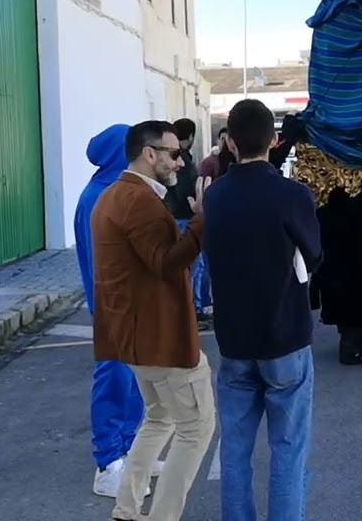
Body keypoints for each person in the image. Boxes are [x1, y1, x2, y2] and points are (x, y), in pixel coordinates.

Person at [203, 99, 323, 519]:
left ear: (230, 143)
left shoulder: (215, 197)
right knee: (288, 450)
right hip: (285, 336)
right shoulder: (292, 195)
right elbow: (314, 254)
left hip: (235, 340)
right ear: (274, 141)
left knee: (235, 452)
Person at [91, 120, 215, 521]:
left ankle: (128, 508)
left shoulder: (113, 196)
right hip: (160, 339)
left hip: (135, 339)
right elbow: (165, 263)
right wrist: (201, 222)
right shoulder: (138, 201)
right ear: (149, 154)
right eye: (174, 154)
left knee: (160, 417)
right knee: (196, 428)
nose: (180, 163)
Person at [74, 124, 155, 498]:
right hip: (115, 307)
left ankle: (132, 453)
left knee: (135, 382)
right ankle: (109, 464)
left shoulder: (110, 191)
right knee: (115, 380)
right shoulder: (100, 197)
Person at [165, 118, 211, 326]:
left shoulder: (177, 159)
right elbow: (184, 191)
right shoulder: (183, 162)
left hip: (178, 217)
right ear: (191, 137)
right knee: (194, 266)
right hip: (185, 217)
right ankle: (193, 309)